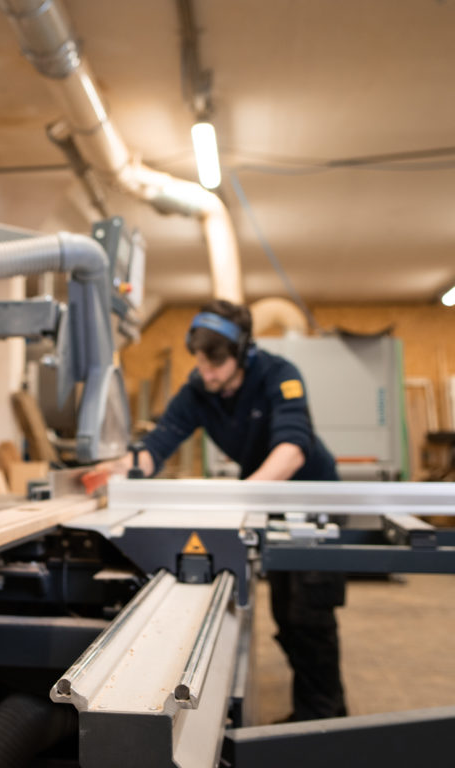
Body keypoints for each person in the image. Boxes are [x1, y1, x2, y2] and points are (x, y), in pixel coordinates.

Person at [112, 299, 347, 722]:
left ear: (242, 352)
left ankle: (325, 719)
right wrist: (125, 471)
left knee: (309, 618)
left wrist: (238, 498)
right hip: (269, 507)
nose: (206, 372)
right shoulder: (201, 387)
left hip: (313, 506)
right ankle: (315, 710)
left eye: (215, 362)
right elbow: (161, 441)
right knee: (287, 619)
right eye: (200, 361)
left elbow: (292, 452)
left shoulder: (280, 376)